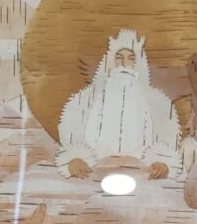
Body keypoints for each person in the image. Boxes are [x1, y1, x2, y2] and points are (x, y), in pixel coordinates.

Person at [56, 29, 181, 180]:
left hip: (142, 175)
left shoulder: (159, 103)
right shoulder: (83, 100)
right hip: (92, 173)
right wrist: (73, 159)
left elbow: (168, 141)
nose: (123, 64)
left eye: (130, 58)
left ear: (138, 62)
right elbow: (70, 138)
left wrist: (163, 162)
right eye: (119, 58)